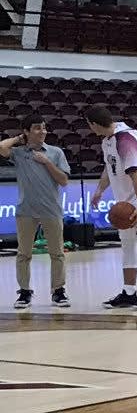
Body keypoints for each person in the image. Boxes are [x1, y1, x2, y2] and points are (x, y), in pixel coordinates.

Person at [86, 105, 137, 310]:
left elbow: (136, 175)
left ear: (94, 124)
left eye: (89, 125)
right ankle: (129, 293)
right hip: (125, 200)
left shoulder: (125, 140)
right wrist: (99, 190)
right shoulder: (108, 141)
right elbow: (109, 167)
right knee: (128, 245)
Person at [2, 117, 71, 308]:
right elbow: (1, 147)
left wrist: (47, 162)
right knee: (23, 254)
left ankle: (58, 291)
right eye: (37, 128)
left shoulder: (56, 152)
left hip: (51, 209)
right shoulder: (19, 153)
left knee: (57, 253)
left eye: (44, 128)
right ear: (27, 131)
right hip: (26, 210)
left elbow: (64, 180)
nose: (43, 131)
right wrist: (18, 139)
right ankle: (24, 292)